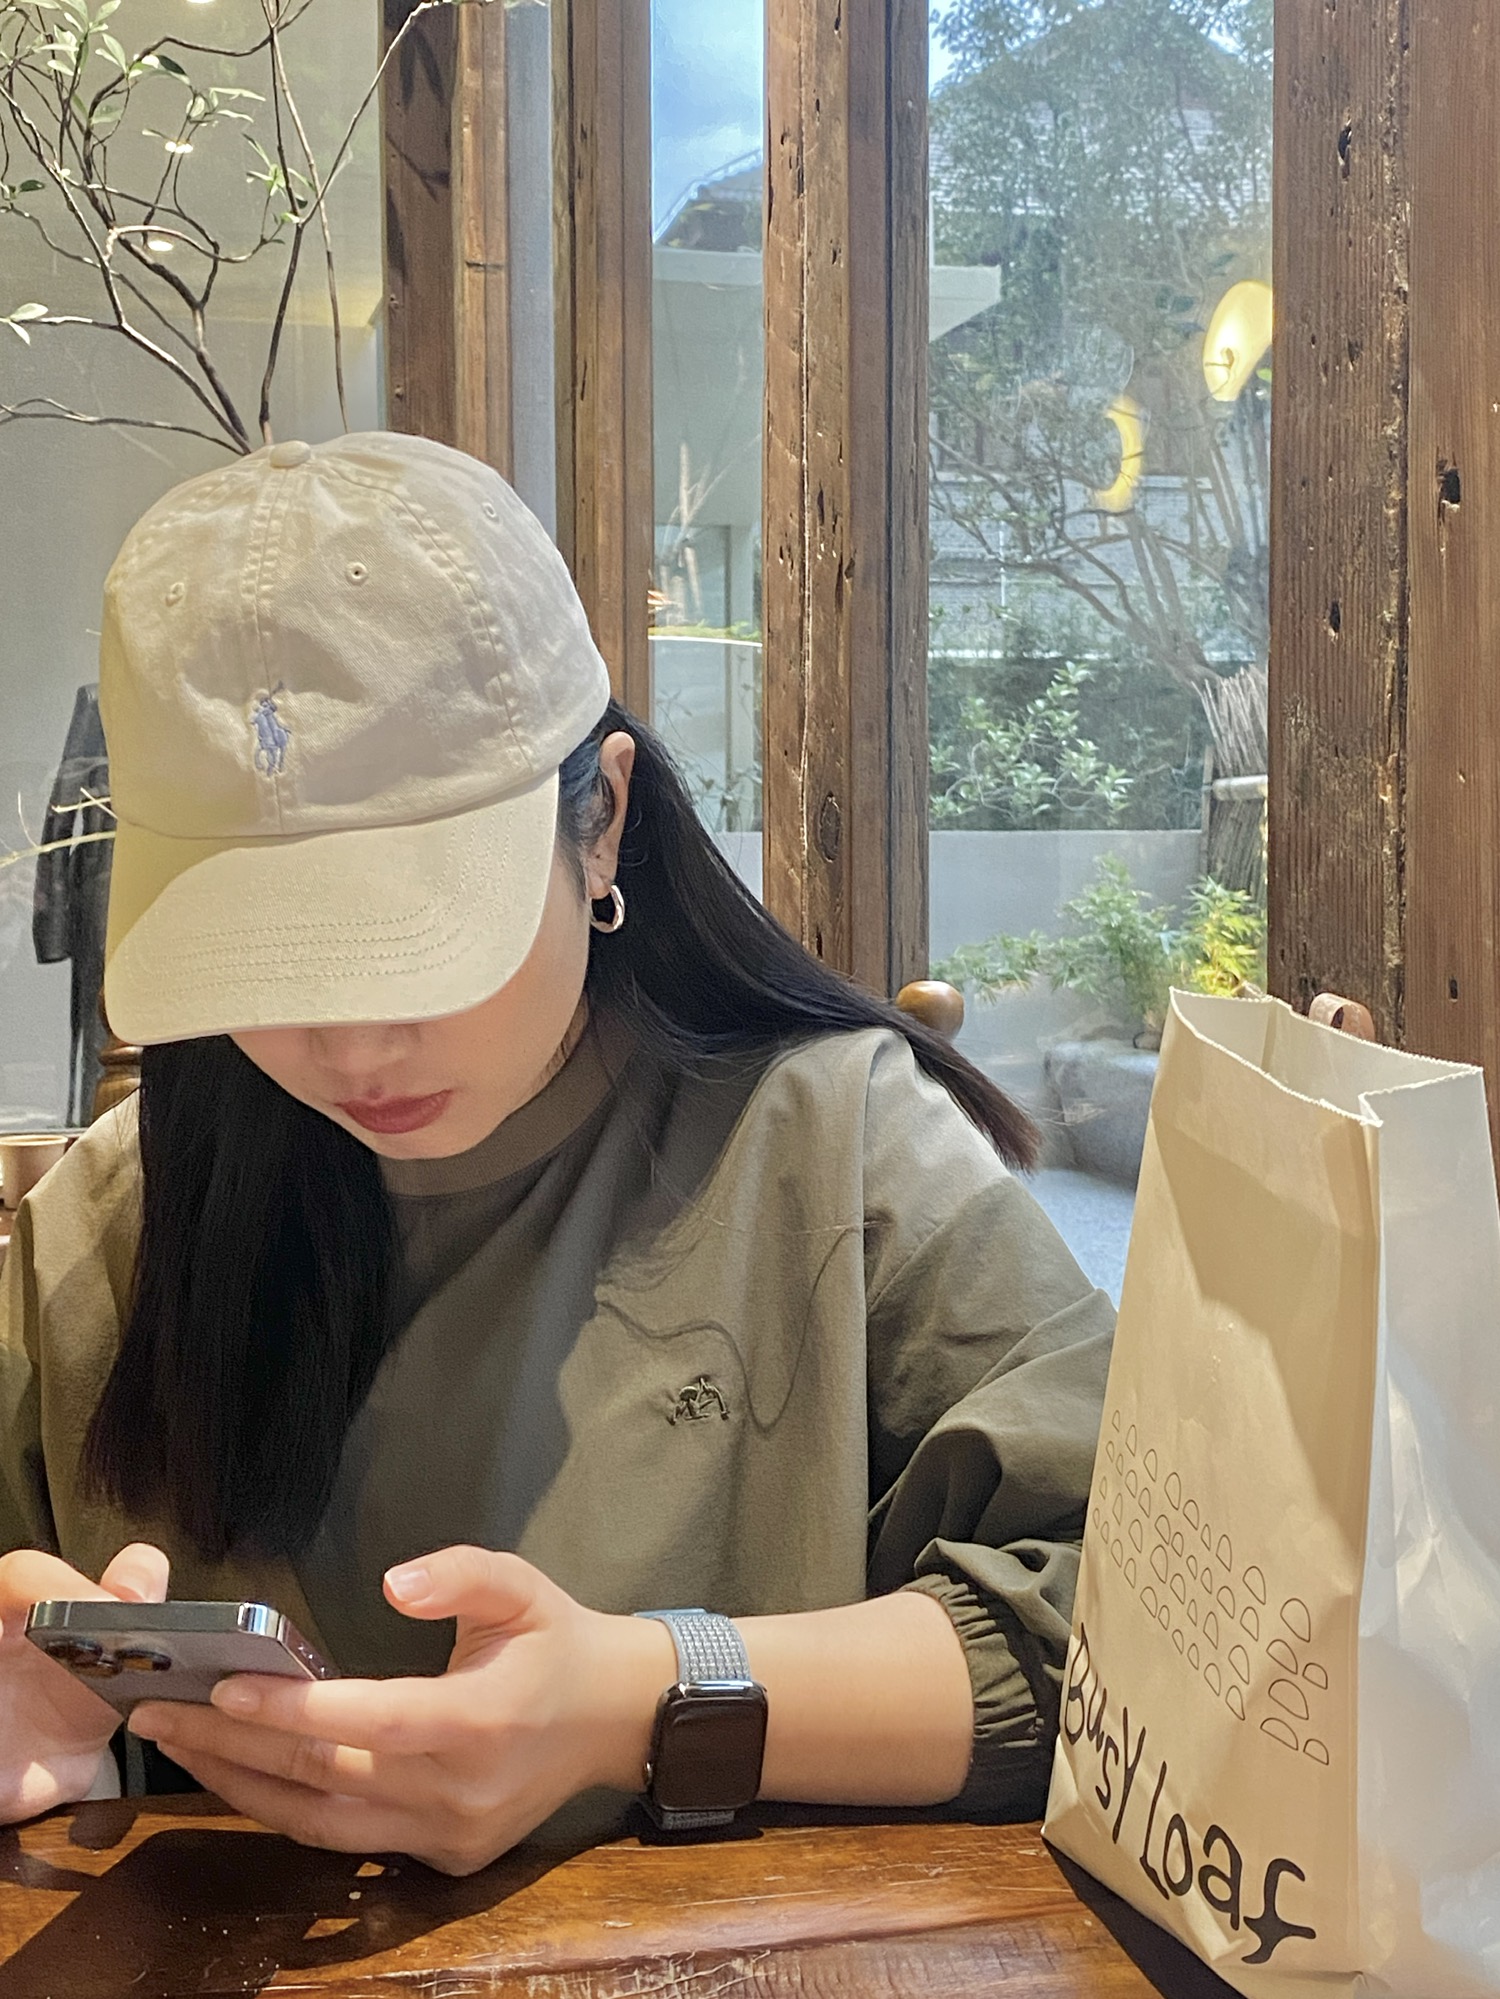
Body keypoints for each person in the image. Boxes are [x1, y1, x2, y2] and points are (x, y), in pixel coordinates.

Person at [0, 432, 1112, 1875]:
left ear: (605, 822)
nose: (349, 1043)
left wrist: (641, 1699)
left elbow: (1140, 1612)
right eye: (262, 959)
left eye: (415, 940)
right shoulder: (112, 1220)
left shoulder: (833, 1152)